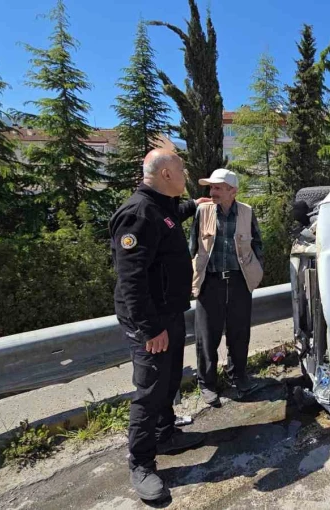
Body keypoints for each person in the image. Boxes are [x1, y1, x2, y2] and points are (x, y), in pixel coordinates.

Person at [109, 149, 211, 502]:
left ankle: (166, 435)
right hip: (151, 321)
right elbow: (131, 280)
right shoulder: (137, 214)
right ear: (166, 174)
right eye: (181, 169)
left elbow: (170, 220)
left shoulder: (160, 208)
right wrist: (150, 329)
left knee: (168, 380)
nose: (185, 174)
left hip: (169, 313)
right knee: (150, 391)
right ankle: (141, 463)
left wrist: (194, 205)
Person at [190, 168, 264, 406]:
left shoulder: (246, 211)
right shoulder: (203, 211)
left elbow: (257, 243)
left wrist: (257, 271)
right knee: (207, 336)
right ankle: (207, 384)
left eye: (217, 188)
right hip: (210, 281)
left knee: (239, 333)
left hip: (239, 280)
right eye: (211, 187)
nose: (212, 192)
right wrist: (193, 276)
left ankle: (239, 376)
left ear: (233, 191)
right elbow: (192, 246)